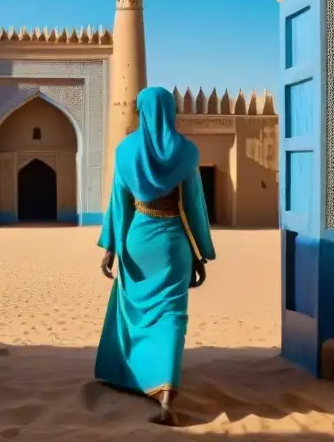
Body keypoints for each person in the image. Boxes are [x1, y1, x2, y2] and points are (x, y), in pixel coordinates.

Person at [94, 85, 216, 426]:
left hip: (136, 242)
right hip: (173, 244)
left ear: (142, 111)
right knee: (172, 315)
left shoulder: (126, 151)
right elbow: (193, 205)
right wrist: (201, 253)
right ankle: (166, 399)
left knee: (134, 312)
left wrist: (110, 247)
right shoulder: (185, 152)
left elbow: (118, 203)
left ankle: (134, 377)